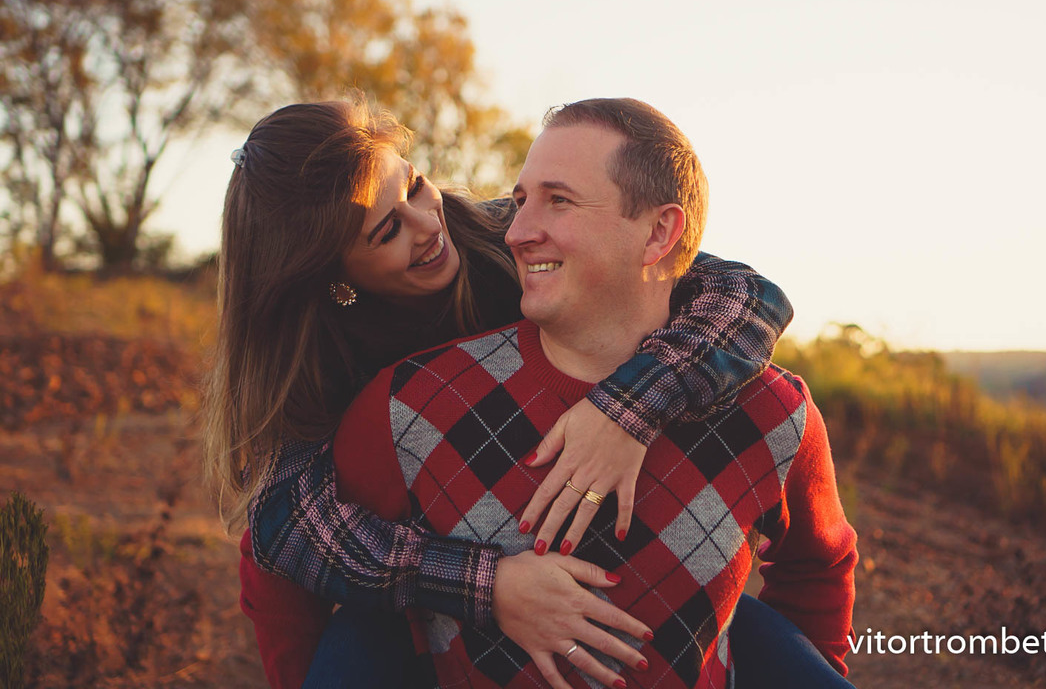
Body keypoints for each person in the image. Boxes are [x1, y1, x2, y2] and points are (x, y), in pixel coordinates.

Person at [202, 98, 802, 688]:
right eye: (386, 230)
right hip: (415, 600)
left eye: (414, 187)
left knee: (735, 623)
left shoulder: (501, 234)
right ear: (328, 274)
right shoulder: (320, 365)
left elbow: (744, 294)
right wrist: (485, 585)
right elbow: (287, 533)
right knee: (363, 639)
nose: (427, 225)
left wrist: (628, 409)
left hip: (602, 574)